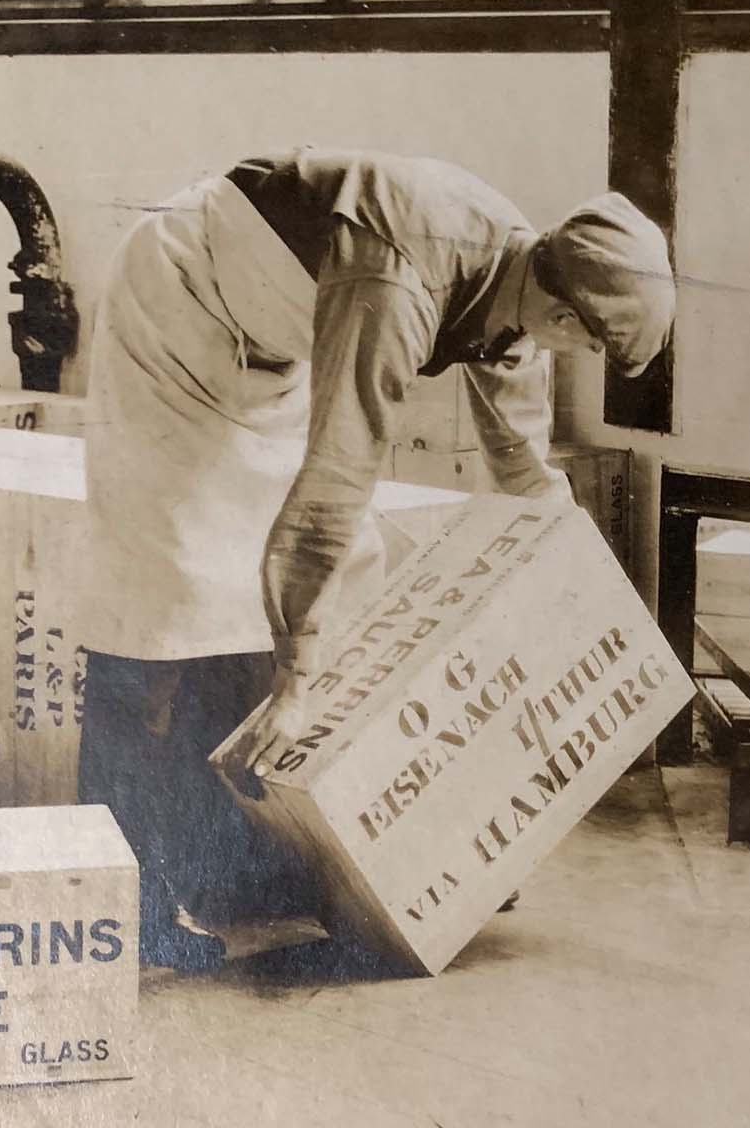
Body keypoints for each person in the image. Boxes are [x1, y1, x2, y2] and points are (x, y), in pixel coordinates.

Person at [74, 147, 674, 970]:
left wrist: (591, 619)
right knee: (164, 593)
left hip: (270, 340)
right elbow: (337, 473)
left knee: (338, 582)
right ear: (567, 318)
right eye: (588, 345)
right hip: (180, 299)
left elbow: (527, 477)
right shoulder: (403, 281)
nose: (574, 355)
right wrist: (295, 682)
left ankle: (254, 867)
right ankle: (117, 898)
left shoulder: (526, 277)